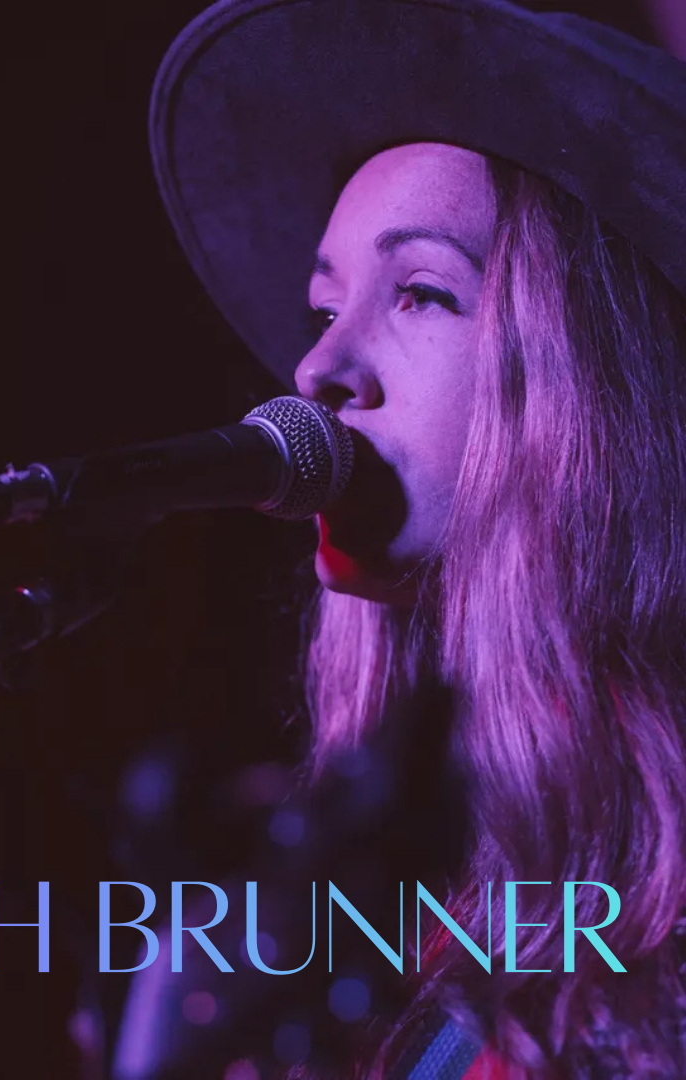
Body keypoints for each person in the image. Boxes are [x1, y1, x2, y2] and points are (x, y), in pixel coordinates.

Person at [147, 0, 686, 1076]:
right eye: (323, 306)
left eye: (424, 292)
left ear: (589, 384)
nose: (316, 371)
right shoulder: (395, 911)